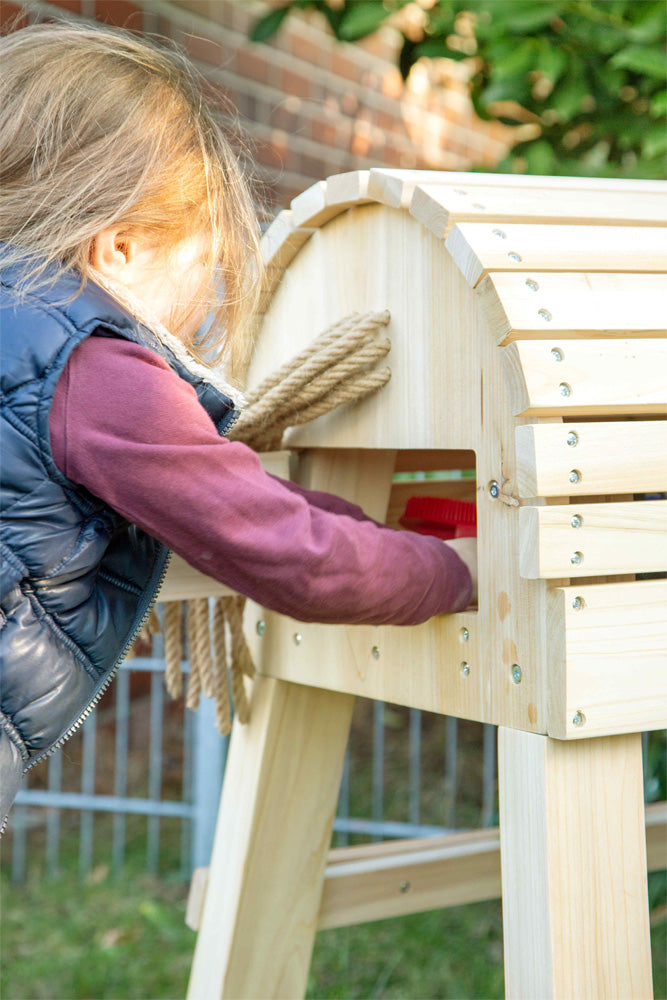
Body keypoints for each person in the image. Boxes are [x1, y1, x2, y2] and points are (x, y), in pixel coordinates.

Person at [0, 22, 477, 833]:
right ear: (118, 247)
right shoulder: (94, 364)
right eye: (205, 268)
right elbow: (285, 551)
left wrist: (365, 521)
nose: (203, 310)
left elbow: (242, 496)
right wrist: (453, 570)